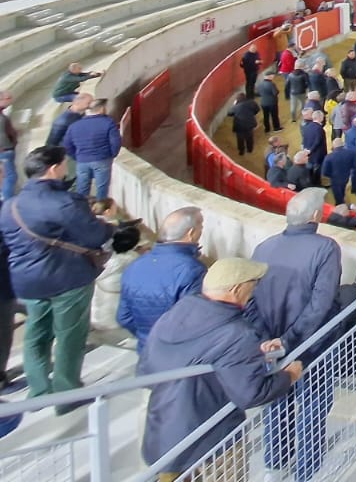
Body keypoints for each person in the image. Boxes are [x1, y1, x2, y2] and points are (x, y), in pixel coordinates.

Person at [140, 258, 302, 478]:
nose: (254, 290)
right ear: (237, 288)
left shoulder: (177, 313)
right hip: (213, 440)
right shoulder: (238, 333)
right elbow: (251, 394)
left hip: (164, 431)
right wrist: (288, 376)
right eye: (254, 283)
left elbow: (148, 366)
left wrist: (252, 355)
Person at [2, 144, 116, 406]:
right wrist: (108, 228)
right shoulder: (64, 202)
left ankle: (39, 391)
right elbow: (95, 236)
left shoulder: (10, 206)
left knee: (36, 333)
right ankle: (67, 393)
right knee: (69, 336)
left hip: (26, 280)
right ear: (54, 169)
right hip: (67, 278)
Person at [250, 188, 343, 479]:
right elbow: (320, 302)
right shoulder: (326, 248)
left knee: (278, 402)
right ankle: (307, 469)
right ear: (316, 216)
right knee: (314, 406)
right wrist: (290, 339)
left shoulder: (263, 247)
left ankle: (275, 465)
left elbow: (250, 300)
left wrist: (267, 338)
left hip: (272, 345)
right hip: (310, 345)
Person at [117, 207, 206, 354]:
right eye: (200, 227)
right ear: (190, 233)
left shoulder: (135, 265)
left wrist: (147, 336)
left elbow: (123, 317)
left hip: (146, 350)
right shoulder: (192, 269)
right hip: (179, 353)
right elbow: (194, 321)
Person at [60, 98, 121, 200]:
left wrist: (77, 157)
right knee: (102, 188)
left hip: (82, 161)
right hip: (102, 159)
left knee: (82, 188)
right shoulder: (108, 122)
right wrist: (111, 155)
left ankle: (83, 209)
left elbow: (67, 145)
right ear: (101, 109)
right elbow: (116, 142)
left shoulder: (74, 125)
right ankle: (100, 210)